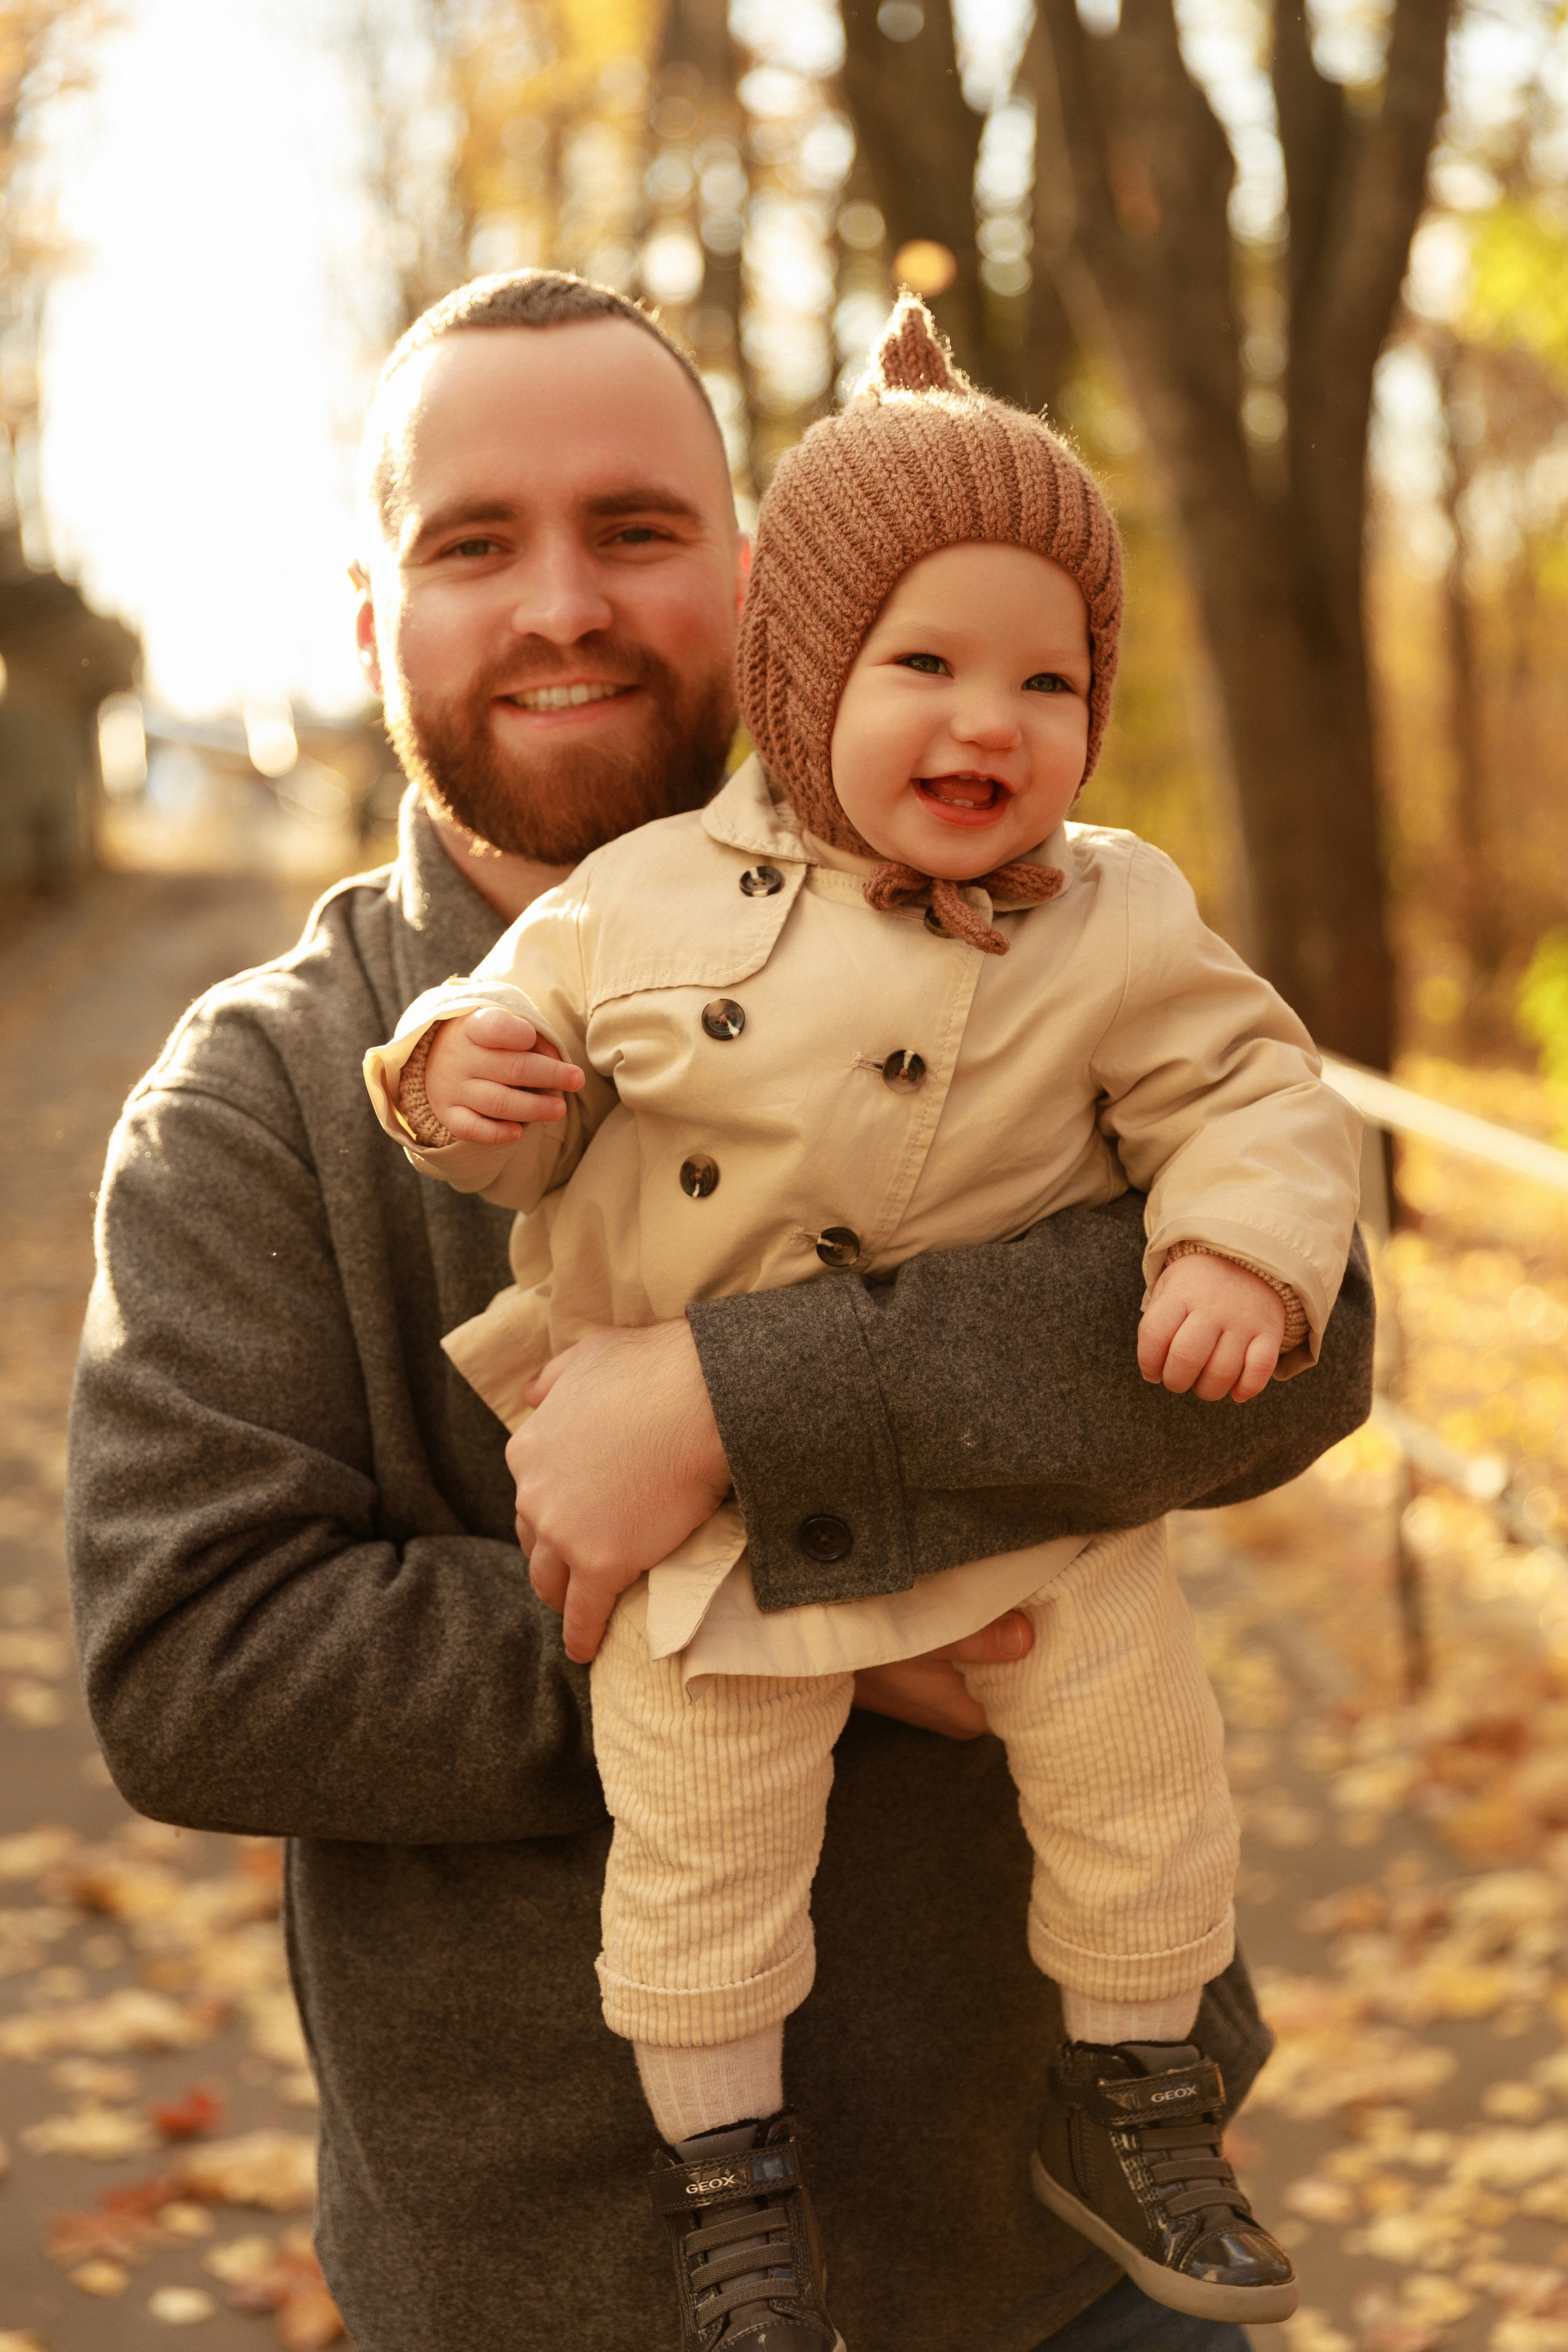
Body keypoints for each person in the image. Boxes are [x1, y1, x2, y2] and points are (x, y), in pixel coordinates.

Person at [67, 269, 1376, 2352]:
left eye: (638, 530)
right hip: (551, 2280)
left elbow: (1300, 1344)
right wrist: (805, 1626)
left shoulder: (1038, 907)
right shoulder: (270, 1093)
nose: (564, 602)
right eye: (474, 545)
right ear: (370, 619)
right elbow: (196, 1663)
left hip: (1049, 2251)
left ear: (760, 578)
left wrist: (741, 1404)